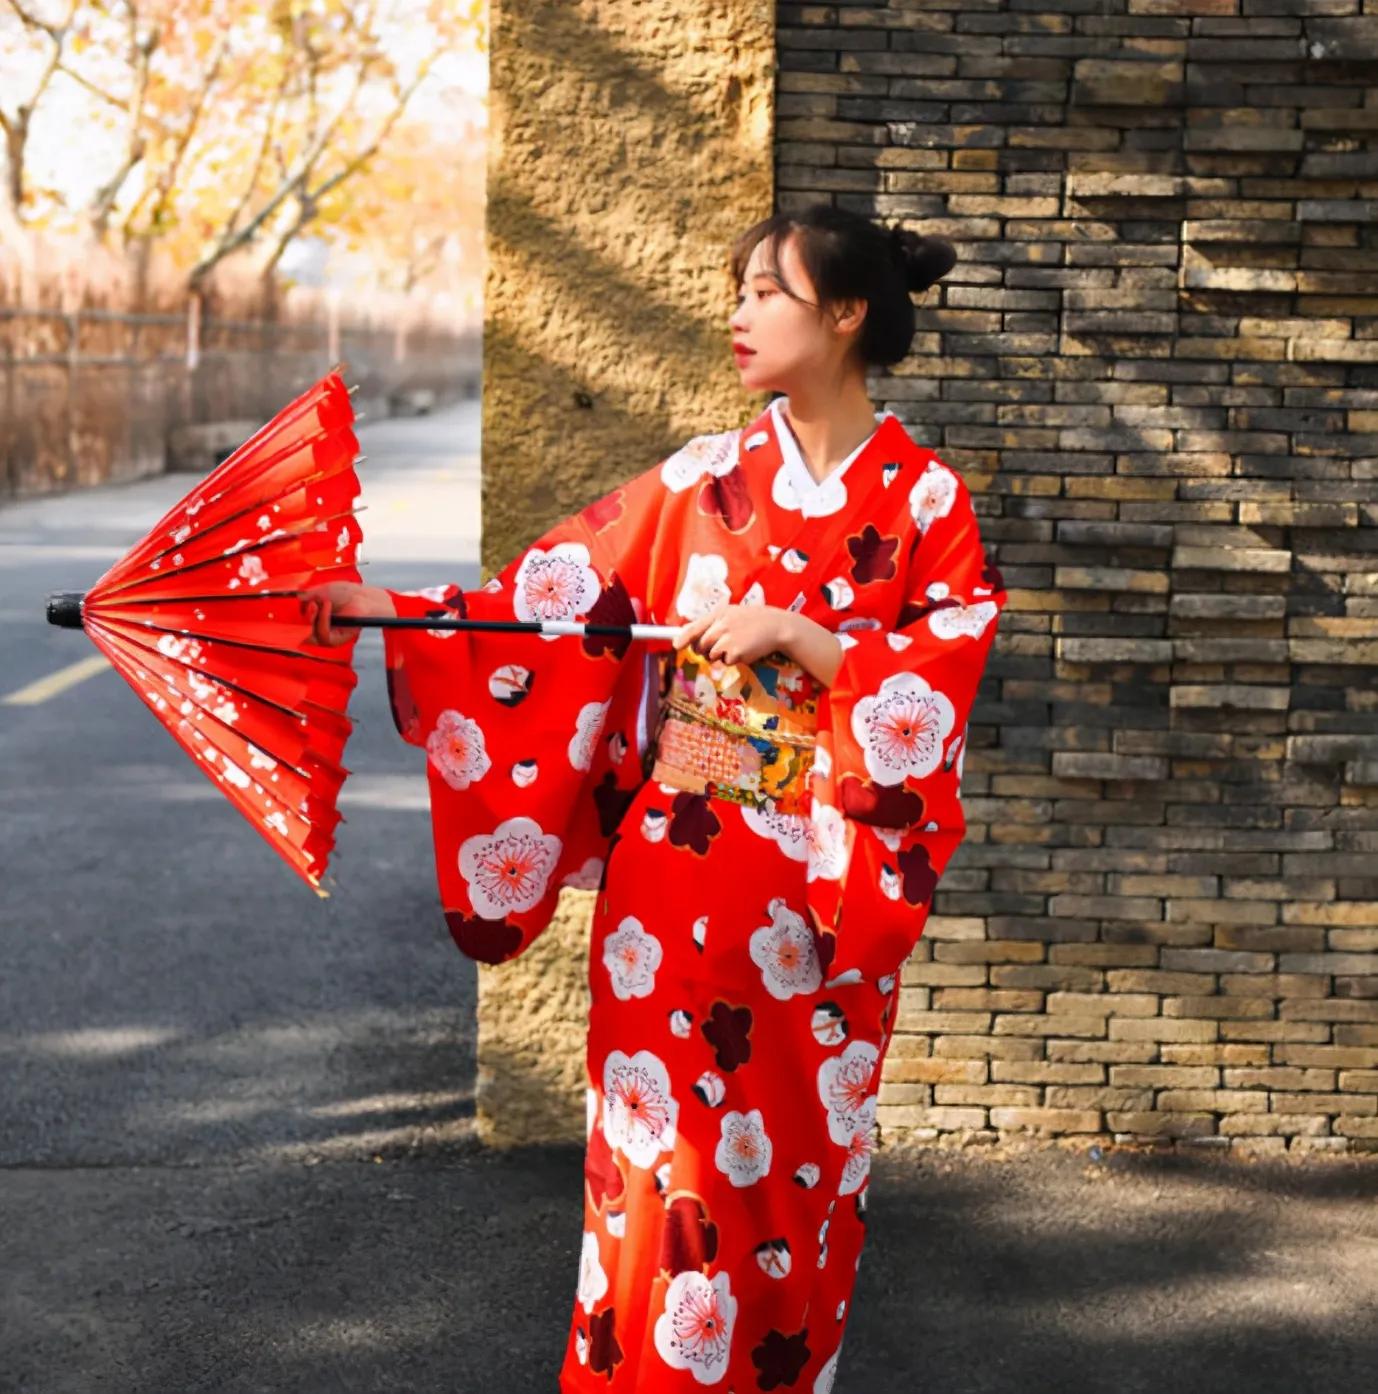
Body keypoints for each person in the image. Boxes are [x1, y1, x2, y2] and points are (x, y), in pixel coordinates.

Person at [303, 202, 1006, 1393]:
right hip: (676, 891)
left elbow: (942, 667)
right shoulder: (701, 479)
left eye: (764, 293)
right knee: (657, 1179)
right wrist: (387, 609)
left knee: (796, 1174)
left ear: (843, 314)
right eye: (733, 290)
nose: (734, 314)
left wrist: (799, 633)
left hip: (816, 907)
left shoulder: (924, 498)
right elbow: (551, 606)